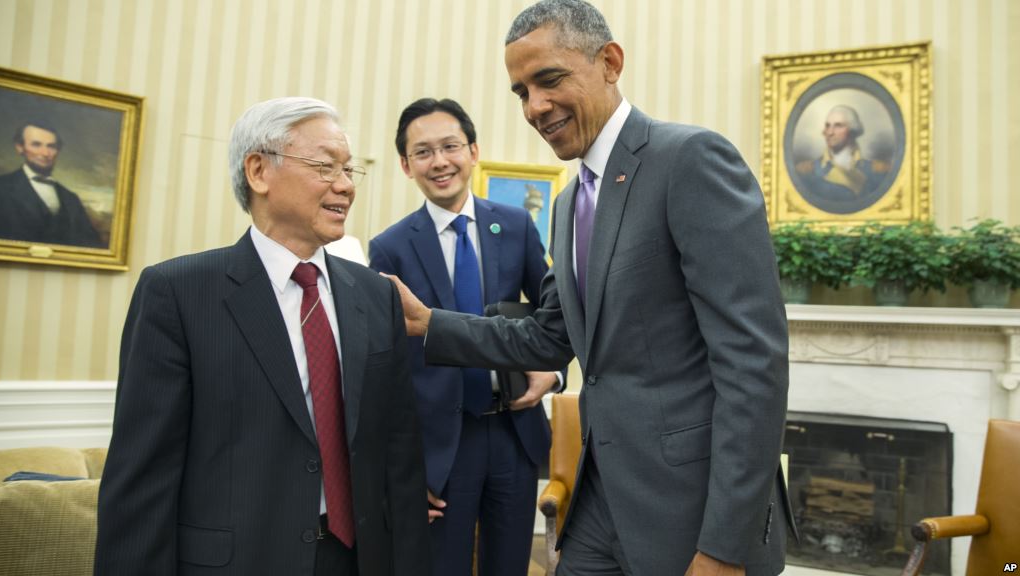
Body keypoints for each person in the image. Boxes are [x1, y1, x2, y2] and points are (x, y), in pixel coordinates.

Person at [385, 1, 794, 575]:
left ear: (610, 61)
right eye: (521, 92)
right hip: (600, 502)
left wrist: (725, 547)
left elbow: (755, 364)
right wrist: (429, 323)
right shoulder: (566, 202)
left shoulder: (690, 159)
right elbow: (552, 335)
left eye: (549, 80)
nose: (535, 107)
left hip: (692, 511)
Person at [95, 97, 431, 576]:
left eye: (349, 170)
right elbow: (142, 479)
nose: (344, 186)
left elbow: (400, 458)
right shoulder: (178, 294)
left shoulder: (377, 297)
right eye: (324, 166)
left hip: (358, 559)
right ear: (258, 171)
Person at [369, 98, 564, 576]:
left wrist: (553, 374)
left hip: (513, 433)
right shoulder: (390, 248)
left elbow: (554, 318)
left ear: (473, 151)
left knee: (510, 566)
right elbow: (385, 364)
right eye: (423, 151)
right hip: (438, 444)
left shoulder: (515, 226)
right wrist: (405, 467)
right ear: (405, 164)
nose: (440, 161)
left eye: (450, 146)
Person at [0, 121, 104, 247]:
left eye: (51, 146)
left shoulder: (71, 199)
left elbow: (92, 247)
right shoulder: (0, 188)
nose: (45, 153)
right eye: (36, 145)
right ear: (20, 148)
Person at [794, 104, 891, 212]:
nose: (830, 132)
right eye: (827, 125)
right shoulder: (807, 171)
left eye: (838, 126)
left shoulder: (877, 170)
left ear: (852, 130)